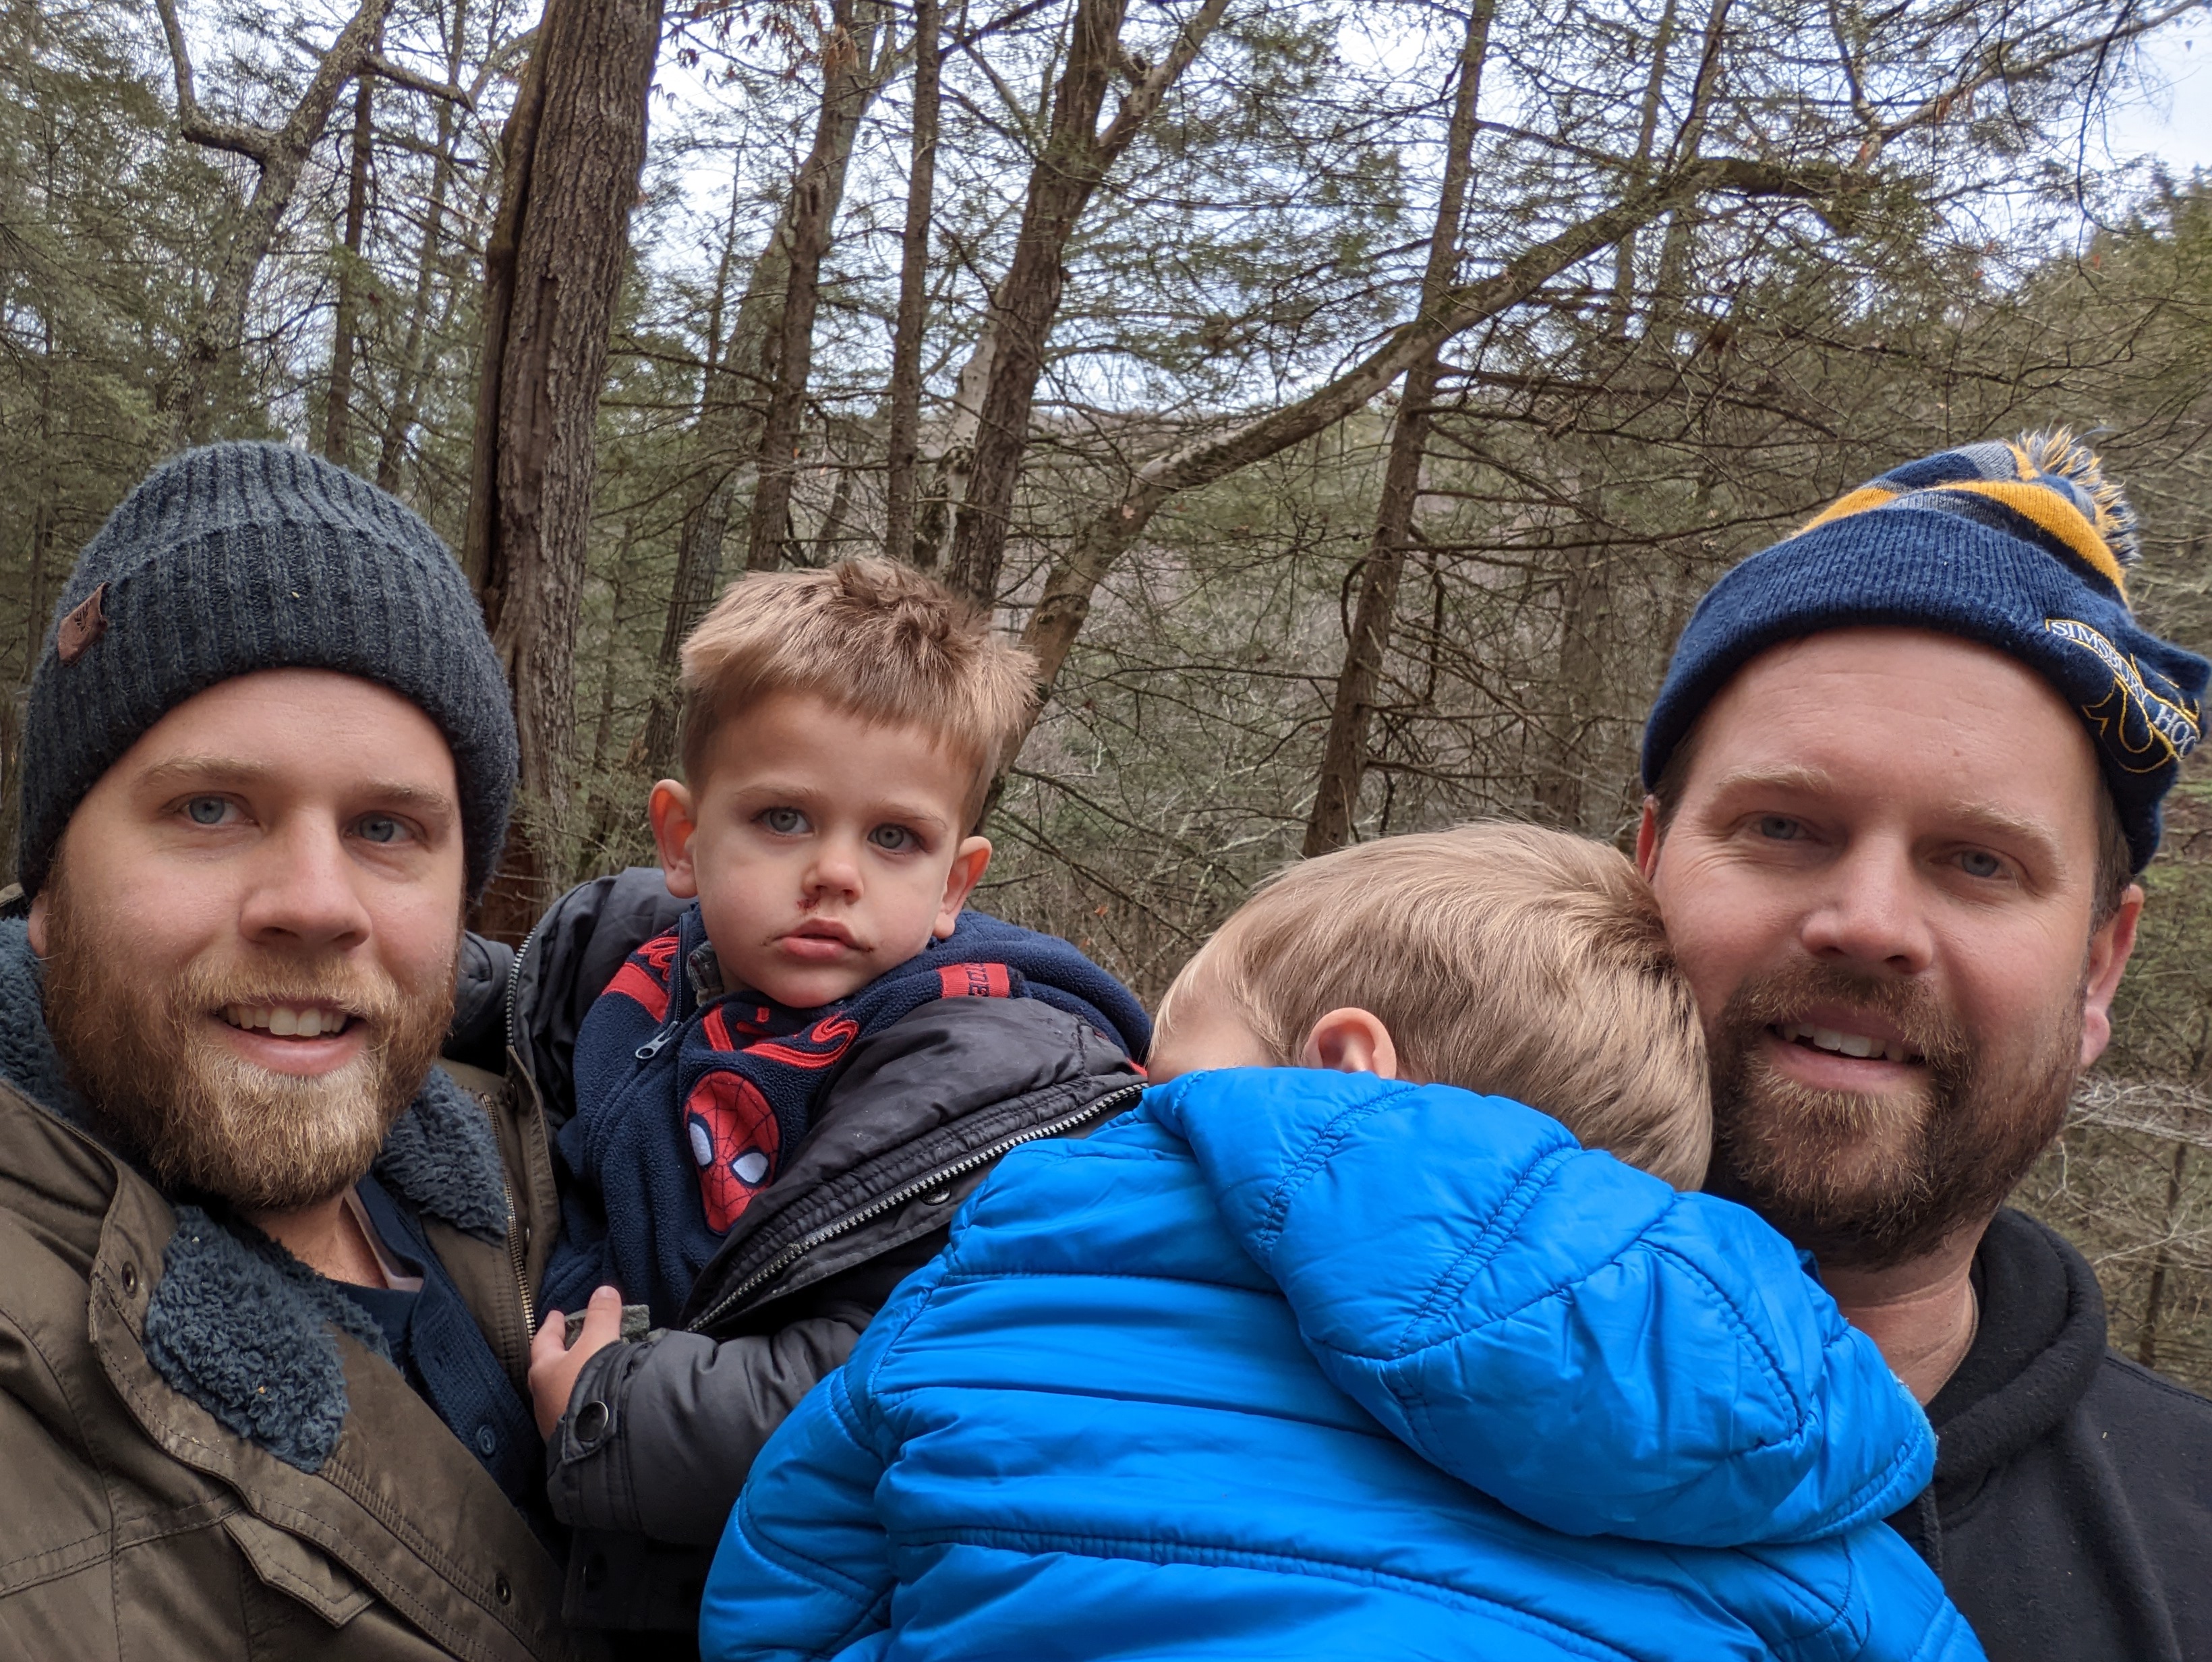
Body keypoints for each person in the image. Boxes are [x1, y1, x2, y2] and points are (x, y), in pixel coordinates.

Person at [698, 825, 1983, 1662]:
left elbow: (789, 1585)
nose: (1135, 1105)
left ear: (1344, 1069)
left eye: (1170, 1073)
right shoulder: (1769, 1416)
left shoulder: (1024, 1267)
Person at [0, 442, 586, 1659]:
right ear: (48, 886)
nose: (317, 904)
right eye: (209, 809)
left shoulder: (528, 1152)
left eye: (387, 828)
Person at [1635, 430, 2212, 1660]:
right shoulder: (1263, 1377)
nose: (1869, 924)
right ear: (1645, 867)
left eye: (1980, 861)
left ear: (2099, 966)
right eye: (1783, 825)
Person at [522, 558, 1151, 1645]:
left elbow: (878, 1373)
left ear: (956, 882)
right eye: (783, 818)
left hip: (765, 1577)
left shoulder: (970, 1078)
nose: (836, 874)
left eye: (894, 838)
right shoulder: (643, 957)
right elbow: (516, 991)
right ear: (683, 840)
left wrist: (614, 1411)